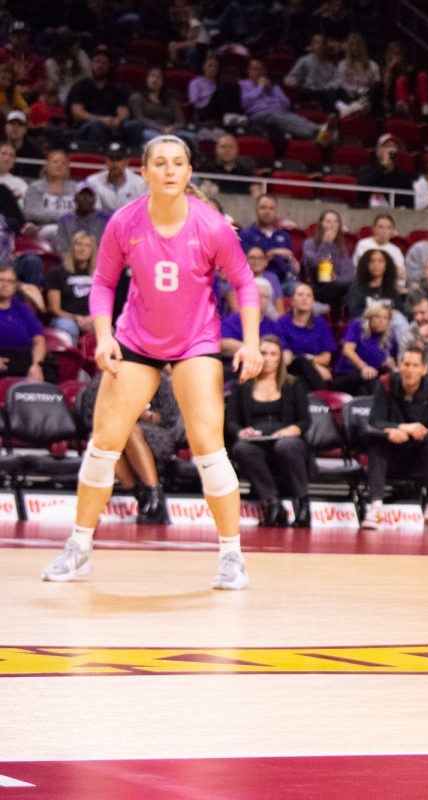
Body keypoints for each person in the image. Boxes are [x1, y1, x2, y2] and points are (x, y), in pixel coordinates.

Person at [41, 134, 263, 590]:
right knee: (103, 445)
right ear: (144, 172)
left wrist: (252, 342)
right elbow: (102, 284)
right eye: (159, 163)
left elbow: (244, 283)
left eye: (177, 163)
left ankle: (232, 556)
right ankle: (79, 547)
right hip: (137, 340)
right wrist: (103, 337)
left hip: (195, 342)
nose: (168, 170)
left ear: (187, 172)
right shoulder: (124, 221)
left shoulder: (211, 225)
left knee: (208, 448)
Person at [226, 334, 314, 528]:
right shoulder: (242, 385)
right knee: (241, 448)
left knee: (286, 446)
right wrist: (241, 432)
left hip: (286, 438)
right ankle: (273, 504)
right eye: (263, 353)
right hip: (256, 440)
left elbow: (305, 420)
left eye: (273, 354)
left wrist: (293, 429)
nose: (267, 358)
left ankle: (302, 505)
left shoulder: (293, 384)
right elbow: (231, 421)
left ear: (280, 358)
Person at [360, 346, 428, 531]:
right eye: (406, 364)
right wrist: (399, 429)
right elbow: (374, 421)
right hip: (392, 451)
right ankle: (375, 508)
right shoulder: (385, 383)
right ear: (399, 366)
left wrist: (417, 434)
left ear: (424, 369)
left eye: (415, 365)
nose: (410, 369)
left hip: (419, 453)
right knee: (377, 443)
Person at [77, 367, 176, 525]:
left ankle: (154, 492)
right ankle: (143, 496)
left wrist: (148, 416)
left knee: (128, 429)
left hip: (153, 434)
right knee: (101, 437)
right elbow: (90, 419)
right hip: (115, 432)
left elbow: (169, 417)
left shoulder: (157, 378)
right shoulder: (103, 380)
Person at [239, 58, 335, 146]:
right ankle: (318, 132)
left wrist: (271, 90)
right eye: (255, 69)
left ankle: (320, 135)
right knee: (281, 118)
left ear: (265, 71)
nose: (258, 72)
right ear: (249, 71)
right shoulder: (242, 85)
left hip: (280, 113)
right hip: (259, 114)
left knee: (295, 118)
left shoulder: (274, 87)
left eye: (261, 69)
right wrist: (260, 88)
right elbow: (245, 103)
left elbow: (286, 104)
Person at [65, 47, 142, 148]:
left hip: (112, 125)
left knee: (134, 126)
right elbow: (77, 113)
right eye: (97, 62)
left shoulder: (117, 88)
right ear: (91, 64)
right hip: (86, 125)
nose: (100, 65)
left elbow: (123, 111)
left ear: (109, 66)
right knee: (97, 126)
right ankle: (97, 158)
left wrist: (118, 120)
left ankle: (132, 158)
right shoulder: (80, 86)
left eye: (104, 63)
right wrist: (101, 119)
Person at [277, 282, 336, 390]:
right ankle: (322, 399)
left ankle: (317, 402)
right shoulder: (281, 323)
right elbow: (285, 358)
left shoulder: (321, 323)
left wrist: (311, 363)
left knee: (302, 382)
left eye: (308, 295)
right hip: (289, 369)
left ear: (313, 301)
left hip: (308, 375)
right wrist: (313, 364)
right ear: (292, 300)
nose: (304, 298)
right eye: (300, 295)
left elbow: (326, 358)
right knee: (302, 361)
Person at [332, 299, 398, 396]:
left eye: (385, 318)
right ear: (369, 318)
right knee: (370, 377)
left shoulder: (390, 337)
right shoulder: (357, 325)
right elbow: (347, 350)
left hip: (371, 378)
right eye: (377, 316)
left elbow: (390, 361)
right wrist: (364, 367)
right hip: (346, 375)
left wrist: (389, 365)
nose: (381, 321)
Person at [129, 66, 199, 155]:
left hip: (171, 130)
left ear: (162, 81)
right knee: (161, 139)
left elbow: (180, 121)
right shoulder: (137, 98)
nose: (155, 80)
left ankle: (194, 164)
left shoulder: (171, 100)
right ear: (146, 79)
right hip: (148, 129)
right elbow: (140, 119)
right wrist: (161, 129)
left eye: (158, 77)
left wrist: (172, 129)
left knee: (192, 137)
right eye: (152, 76)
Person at [238, 194, 299, 295]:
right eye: (263, 208)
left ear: (276, 212)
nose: (267, 212)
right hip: (256, 281)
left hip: (283, 283)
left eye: (271, 208)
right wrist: (270, 254)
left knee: (301, 289)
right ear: (256, 210)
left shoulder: (284, 236)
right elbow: (241, 263)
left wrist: (294, 263)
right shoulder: (245, 234)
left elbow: (294, 265)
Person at [45, 230, 97, 344]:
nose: (82, 249)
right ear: (72, 247)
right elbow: (55, 309)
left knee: (108, 329)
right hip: (65, 318)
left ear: (92, 251)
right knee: (68, 328)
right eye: (78, 244)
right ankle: (70, 361)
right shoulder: (57, 272)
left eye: (87, 245)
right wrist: (76, 317)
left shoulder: (99, 274)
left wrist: (93, 318)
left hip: (91, 318)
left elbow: (104, 303)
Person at [0, 264, 46, 382]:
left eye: (10, 281)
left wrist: (37, 365)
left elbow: (39, 340)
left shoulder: (22, 308)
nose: (5, 284)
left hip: (23, 360)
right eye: (1, 280)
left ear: (15, 286)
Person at [301, 209, 354, 309]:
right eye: (328, 221)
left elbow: (348, 274)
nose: (332, 225)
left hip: (337, 286)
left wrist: (335, 278)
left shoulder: (341, 248)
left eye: (335, 222)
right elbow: (314, 264)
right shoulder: (309, 244)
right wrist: (326, 243)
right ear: (321, 224)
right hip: (319, 287)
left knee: (354, 287)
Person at [22, 148, 76, 239]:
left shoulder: (76, 187)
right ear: (47, 166)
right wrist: (61, 216)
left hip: (72, 227)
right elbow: (31, 212)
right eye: (55, 162)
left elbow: (81, 211)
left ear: (67, 168)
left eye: (63, 163)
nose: (59, 165)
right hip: (43, 228)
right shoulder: (36, 187)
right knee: (55, 230)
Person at [283, 34, 342, 114]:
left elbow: (337, 80)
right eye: (317, 43)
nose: (320, 46)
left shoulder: (330, 64)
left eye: (322, 43)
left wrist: (328, 87)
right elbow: (292, 77)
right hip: (309, 91)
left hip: (326, 91)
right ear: (312, 46)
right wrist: (293, 83)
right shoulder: (304, 61)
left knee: (336, 93)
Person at [345, 247, 407, 320]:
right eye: (372, 261)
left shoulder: (392, 290)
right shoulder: (357, 288)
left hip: (390, 327)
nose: (376, 265)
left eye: (380, 261)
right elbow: (354, 313)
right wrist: (377, 314)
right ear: (366, 265)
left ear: (386, 266)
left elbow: (400, 312)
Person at [83, 142, 148, 212]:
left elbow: (143, 212)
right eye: (111, 159)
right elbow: (95, 213)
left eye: (119, 159)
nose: (115, 163)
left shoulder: (140, 183)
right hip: (104, 222)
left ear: (126, 162)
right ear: (106, 161)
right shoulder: (93, 181)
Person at [356, 134, 413, 208]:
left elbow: (410, 205)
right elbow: (360, 192)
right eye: (386, 146)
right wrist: (382, 167)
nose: (390, 150)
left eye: (393, 147)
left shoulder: (404, 178)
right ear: (378, 151)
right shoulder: (367, 171)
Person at [52, 185, 110, 256]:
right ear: (75, 198)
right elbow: (62, 248)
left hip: (100, 263)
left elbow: (110, 247)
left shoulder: (106, 218)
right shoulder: (65, 219)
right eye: (82, 194)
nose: (85, 198)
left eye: (89, 195)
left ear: (94, 199)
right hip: (72, 263)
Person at [224, 246, 282, 314]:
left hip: (267, 320)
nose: (256, 261)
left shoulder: (272, 278)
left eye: (260, 258)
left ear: (266, 262)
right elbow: (236, 311)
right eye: (251, 258)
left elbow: (280, 311)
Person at [336, 32, 379, 117]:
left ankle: (362, 107)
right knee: (339, 91)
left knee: (378, 88)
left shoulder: (372, 65)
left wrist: (365, 92)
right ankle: (360, 107)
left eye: (358, 45)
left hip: (367, 95)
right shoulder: (343, 65)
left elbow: (376, 85)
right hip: (350, 95)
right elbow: (343, 84)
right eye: (352, 45)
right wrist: (358, 90)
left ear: (363, 47)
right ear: (349, 47)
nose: (355, 48)